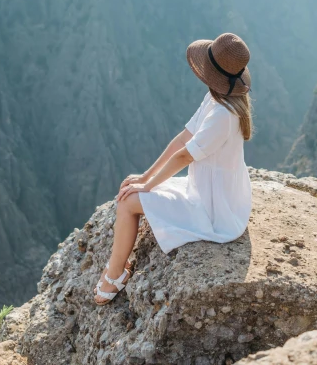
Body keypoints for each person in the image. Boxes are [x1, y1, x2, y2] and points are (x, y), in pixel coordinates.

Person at [93, 32, 254, 305]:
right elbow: (184, 137)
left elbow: (183, 156)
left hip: (215, 212)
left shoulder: (221, 115)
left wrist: (147, 185)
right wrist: (145, 177)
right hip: (212, 193)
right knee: (131, 187)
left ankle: (115, 275)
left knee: (128, 203)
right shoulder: (219, 101)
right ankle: (117, 267)